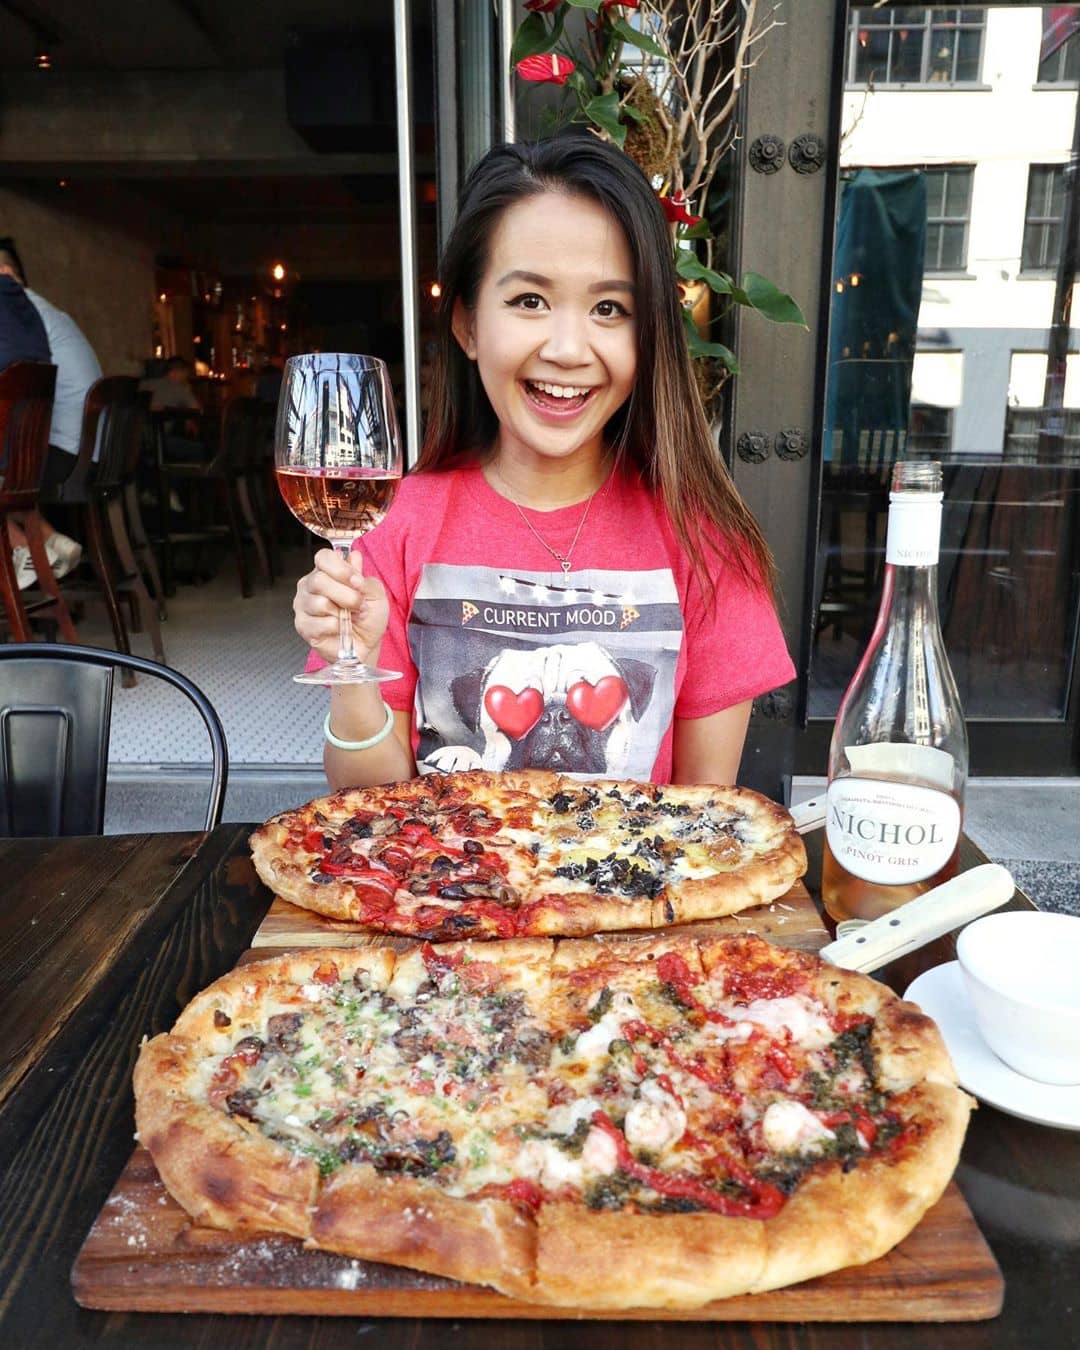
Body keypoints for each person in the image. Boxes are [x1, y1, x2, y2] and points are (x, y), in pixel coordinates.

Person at [293, 136, 795, 791]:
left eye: (609, 308)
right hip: (443, 887)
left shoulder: (707, 542)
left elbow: (704, 823)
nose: (566, 349)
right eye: (529, 300)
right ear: (469, 324)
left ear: (647, 337)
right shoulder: (396, 526)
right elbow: (367, 810)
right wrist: (348, 664)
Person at [0, 236, 90, 588]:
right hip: (73, 448)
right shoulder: (38, 314)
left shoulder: (18, 312)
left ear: (6, 272)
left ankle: (25, 550)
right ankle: (47, 542)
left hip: (56, 454)